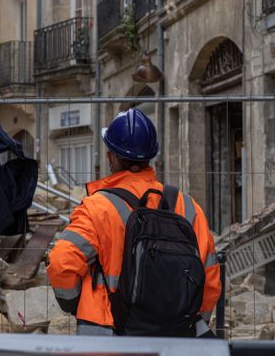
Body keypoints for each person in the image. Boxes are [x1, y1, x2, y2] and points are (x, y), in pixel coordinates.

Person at [47, 108, 221, 337]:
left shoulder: (96, 207)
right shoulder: (188, 206)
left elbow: (62, 263)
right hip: (174, 337)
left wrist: (74, 303)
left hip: (108, 336)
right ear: (151, 156)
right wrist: (185, 318)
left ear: (111, 157)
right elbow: (209, 277)